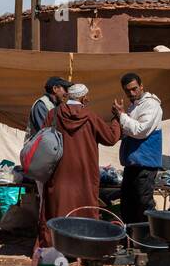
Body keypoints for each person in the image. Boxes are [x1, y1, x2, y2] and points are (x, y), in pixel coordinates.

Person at [40, 82, 120, 244]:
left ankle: (55, 244)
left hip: (58, 172)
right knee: (84, 211)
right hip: (85, 174)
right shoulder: (90, 117)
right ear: (83, 98)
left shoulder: (53, 114)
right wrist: (116, 119)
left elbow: (42, 140)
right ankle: (82, 246)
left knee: (58, 208)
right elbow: (111, 138)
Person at [111, 71, 163, 224]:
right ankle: (132, 240)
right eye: (128, 91)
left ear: (141, 86)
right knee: (128, 204)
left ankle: (151, 239)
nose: (131, 93)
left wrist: (121, 115)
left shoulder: (151, 105)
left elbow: (140, 131)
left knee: (143, 203)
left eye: (134, 89)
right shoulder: (134, 106)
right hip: (133, 163)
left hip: (145, 164)